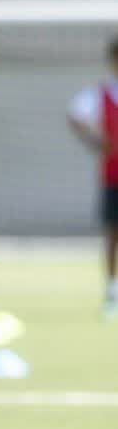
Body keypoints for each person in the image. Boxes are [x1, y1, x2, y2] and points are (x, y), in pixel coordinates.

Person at [68, 37, 118, 321]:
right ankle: (112, 292)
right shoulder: (102, 95)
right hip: (113, 177)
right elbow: (75, 115)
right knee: (113, 234)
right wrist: (96, 140)